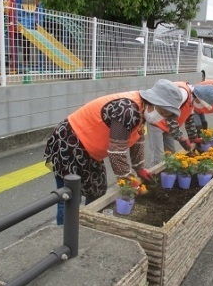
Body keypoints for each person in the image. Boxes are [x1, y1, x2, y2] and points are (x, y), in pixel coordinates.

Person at [44, 79, 184, 225]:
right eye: (162, 112)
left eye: (165, 115)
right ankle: (63, 234)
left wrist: (140, 168)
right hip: (69, 143)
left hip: (89, 151)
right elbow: (116, 150)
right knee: (70, 196)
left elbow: (137, 139)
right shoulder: (127, 110)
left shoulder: (142, 111)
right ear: (152, 101)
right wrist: (127, 180)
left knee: (97, 190)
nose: (161, 117)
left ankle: (86, 225)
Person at [146, 81, 213, 167]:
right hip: (156, 121)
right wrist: (180, 138)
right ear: (198, 98)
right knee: (158, 156)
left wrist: (194, 138)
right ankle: (154, 178)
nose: (201, 106)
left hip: (168, 127)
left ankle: (169, 175)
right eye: (201, 103)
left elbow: (189, 119)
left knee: (171, 154)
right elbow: (169, 115)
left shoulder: (191, 99)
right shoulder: (183, 94)